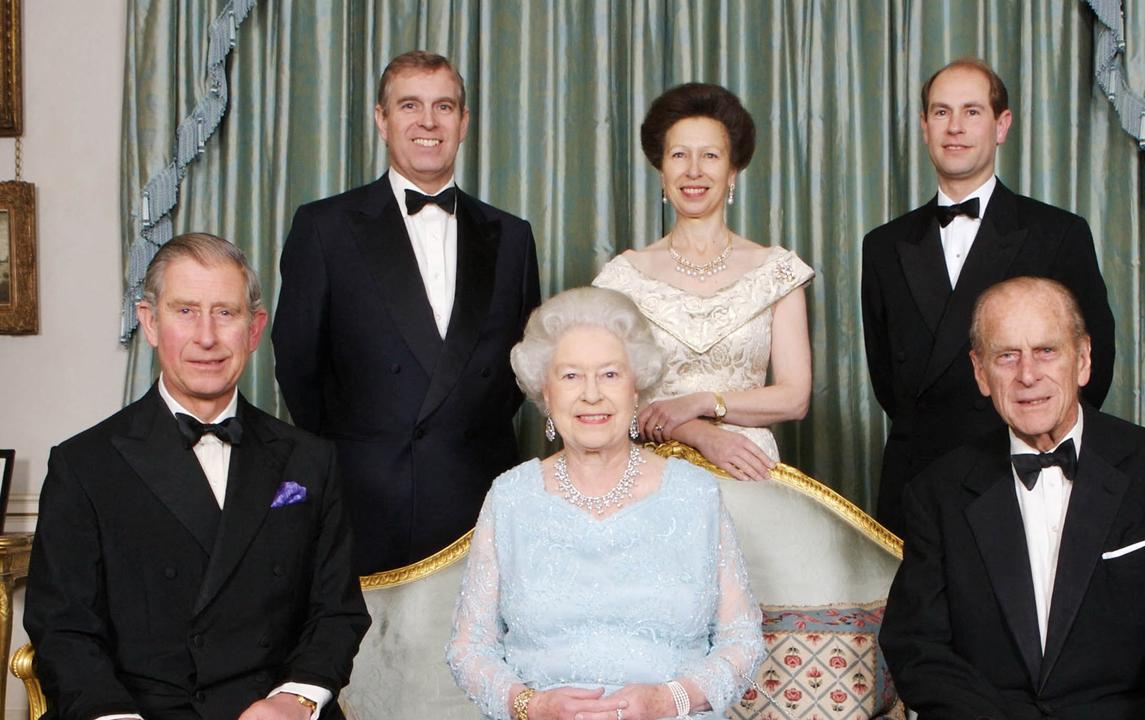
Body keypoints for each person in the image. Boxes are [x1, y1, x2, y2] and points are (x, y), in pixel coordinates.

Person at [25, 233, 370, 720]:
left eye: (225, 313)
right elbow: (64, 629)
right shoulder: (83, 464)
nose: (206, 337)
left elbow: (336, 612)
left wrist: (295, 700)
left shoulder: (311, 460)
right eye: (185, 311)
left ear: (254, 330)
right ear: (149, 321)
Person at [880, 276, 1145, 719]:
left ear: (1084, 359)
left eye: (1046, 351)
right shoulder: (937, 491)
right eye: (1006, 356)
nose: (1027, 375)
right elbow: (917, 647)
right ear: (980, 371)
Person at [273, 51, 541, 574]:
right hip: (368, 496)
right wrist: (367, 452)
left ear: (463, 123)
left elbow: (523, 370)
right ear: (382, 118)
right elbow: (297, 365)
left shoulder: (512, 236)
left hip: (480, 493)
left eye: (444, 107)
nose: (428, 122)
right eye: (409, 106)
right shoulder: (325, 227)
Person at [447, 287, 764, 720]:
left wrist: (668, 700)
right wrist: (531, 706)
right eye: (571, 376)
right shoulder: (510, 498)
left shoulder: (695, 494)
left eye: (610, 374)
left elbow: (742, 639)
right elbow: (469, 649)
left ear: (637, 389)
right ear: (546, 392)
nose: (591, 394)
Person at [861, 58, 1116, 537]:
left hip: (1023, 470)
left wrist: (1037, 440)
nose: (955, 127)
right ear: (923, 126)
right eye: (941, 112)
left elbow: (1091, 366)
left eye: (972, 112)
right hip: (919, 480)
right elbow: (888, 382)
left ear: (1002, 125)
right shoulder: (882, 245)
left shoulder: (1057, 234)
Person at [593, 82, 813, 482]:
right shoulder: (622, 279)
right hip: (652, 475)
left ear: (733, 171)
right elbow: (606, 398)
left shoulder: (777, 272)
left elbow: (794, 397)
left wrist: (702, 403)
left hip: (748, 468)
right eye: (679, 155)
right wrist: (694, 432)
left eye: (710, 156)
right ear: (662, 171)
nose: (694, 170)